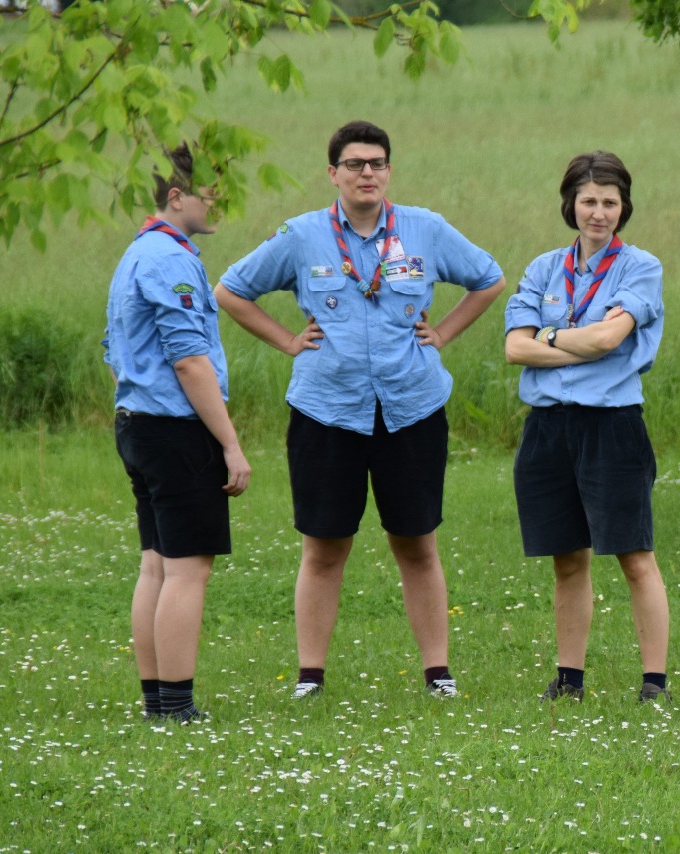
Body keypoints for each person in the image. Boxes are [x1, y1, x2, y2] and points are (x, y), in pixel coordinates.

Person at [214, 120, 505, 700]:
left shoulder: (425, 229)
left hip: (411, 407)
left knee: (416, 542)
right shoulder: (301, 235)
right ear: (334, 173)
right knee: (324, 546)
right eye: (354, 164)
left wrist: (443, 333)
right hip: (327, 410)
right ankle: (310, 678)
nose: (366, 173)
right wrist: (288, 341)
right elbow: (230, 291)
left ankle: (438, 674)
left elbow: (489, 279)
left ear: (389, 171)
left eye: (376, 163)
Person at [505, 151, 671, 704]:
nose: (598, 213)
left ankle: (654, 684)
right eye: (588, 201)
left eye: (610, 202)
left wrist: (549, 337)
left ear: (624, 208)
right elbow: (514, 348)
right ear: (570, 204)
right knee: (567, 558)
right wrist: (581, 343)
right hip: (548, 427)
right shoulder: (543, 268)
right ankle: (568, 681)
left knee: (634, 555)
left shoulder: (640, 267)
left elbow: (606, 338)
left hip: (611, 426)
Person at [104, 142, 252, 724]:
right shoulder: (170, 259)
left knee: (157, 564)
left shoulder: (134, 254)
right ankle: (177, 706)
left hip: (136, 424)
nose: (219, 207)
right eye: (211, 196)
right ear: (176, 197)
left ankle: (157, 703)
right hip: (174, 430)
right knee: (188, 569)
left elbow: (114, 352)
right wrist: (230, 444)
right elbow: (189, 360)